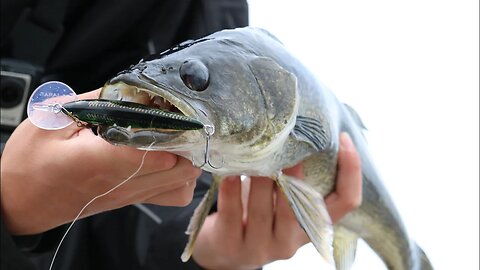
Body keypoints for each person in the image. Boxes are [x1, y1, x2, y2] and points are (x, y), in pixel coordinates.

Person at [1, 1, 362, 269]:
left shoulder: (212, 15)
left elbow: (151, 221)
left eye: (197, 79)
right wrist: (10, 206)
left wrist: (206, 251)